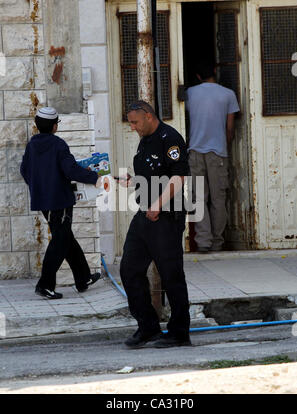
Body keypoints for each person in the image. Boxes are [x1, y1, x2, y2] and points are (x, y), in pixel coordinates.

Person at [117, 100, 191, 349]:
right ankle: (147, 327)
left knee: (171, 274)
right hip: (145, 215)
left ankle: (179, 332)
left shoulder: (170, 138)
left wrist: (158, 204)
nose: (133, 127)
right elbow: (150, 174)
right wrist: (131, 180)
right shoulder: (145, 139)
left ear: (148, 116)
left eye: (136, 122)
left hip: (166, 215)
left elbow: (178, 176)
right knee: (129, 268)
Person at [20, 107, 102, 299]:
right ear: (55, 126)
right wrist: (94, 177)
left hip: (43, 201)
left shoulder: (32, 145)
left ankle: (83, 278)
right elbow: (71, 170)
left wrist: (39, 186)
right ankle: (45, 285)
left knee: (65, 237)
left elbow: (24, 170)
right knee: (60, 241)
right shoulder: (59, 145)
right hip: (60, 200)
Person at [185, 61, 240, 252]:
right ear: (215, 72)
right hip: (218, 153)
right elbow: (230, 129)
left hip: (195, 152)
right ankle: (217, 242)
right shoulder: (228, 95)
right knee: (218, 199)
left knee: (199, 198)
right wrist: (225, 147)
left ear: (198, 76)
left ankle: (203, 242)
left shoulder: (190, 93)